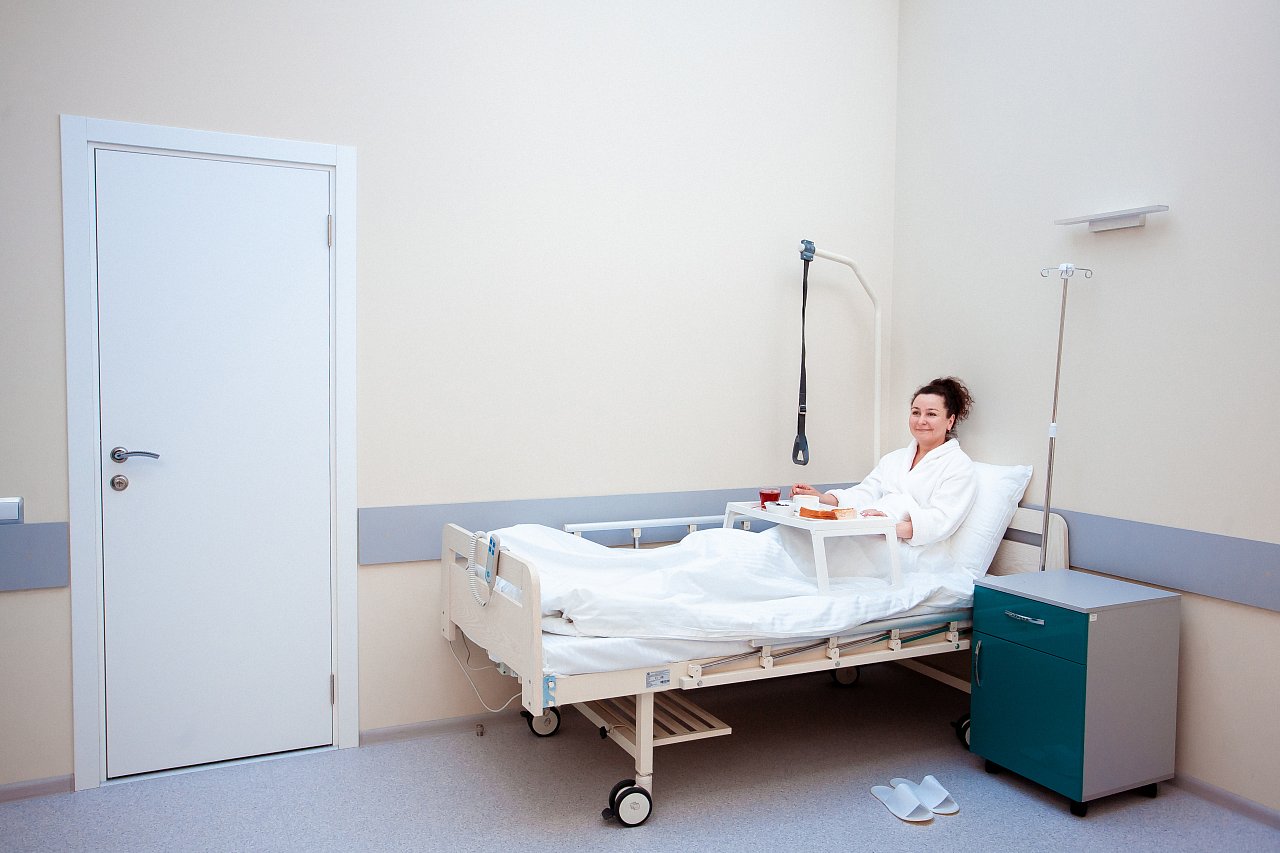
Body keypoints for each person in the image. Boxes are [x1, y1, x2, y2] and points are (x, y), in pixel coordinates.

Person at [792, 376, 977, 546]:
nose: (921, 421)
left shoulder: (958, 466)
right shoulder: (894, 459)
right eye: (915, 412)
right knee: (795, 538)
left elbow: (940, 520)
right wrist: (821, 498)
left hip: (910, 548)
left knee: (822, 550)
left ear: (950, 421)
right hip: (871, 531)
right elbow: (866, 493)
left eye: (931, 414)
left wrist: (887, 527)